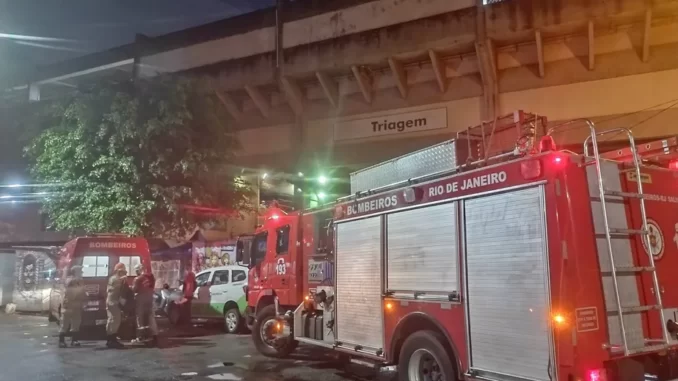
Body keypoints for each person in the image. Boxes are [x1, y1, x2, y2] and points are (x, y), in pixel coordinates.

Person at [131, 263, 158, 346]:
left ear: (139, 270)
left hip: (141, 301)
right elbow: (152, 287)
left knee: (140, 318)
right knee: (150, 317)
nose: (136, 272)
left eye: (136, 270)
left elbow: (134, 290)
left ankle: (141, 337)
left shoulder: (137, 279)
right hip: (150, 299)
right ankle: (154, 336)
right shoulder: (150, 277)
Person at [59, 265, 85, 348]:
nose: (82, 273)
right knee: (65, 324)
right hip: (68, 305)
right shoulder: (70, 280)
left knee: (76, 323)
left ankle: (74, 340)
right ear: (76, 272)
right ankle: (61, 341)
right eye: (80, 271)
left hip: (77, 306)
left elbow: (82, 292)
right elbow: (69, 288)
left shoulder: (80, 281)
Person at [105, 262, 127, 349]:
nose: (124, 273)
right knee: (115, 320)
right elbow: (121, 291)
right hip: (113, 302)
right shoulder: (117, 279)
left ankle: (109, 339)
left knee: (110, 320)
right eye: (123, 271)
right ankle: (112, 340)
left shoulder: (112, 278)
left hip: (110, 301)